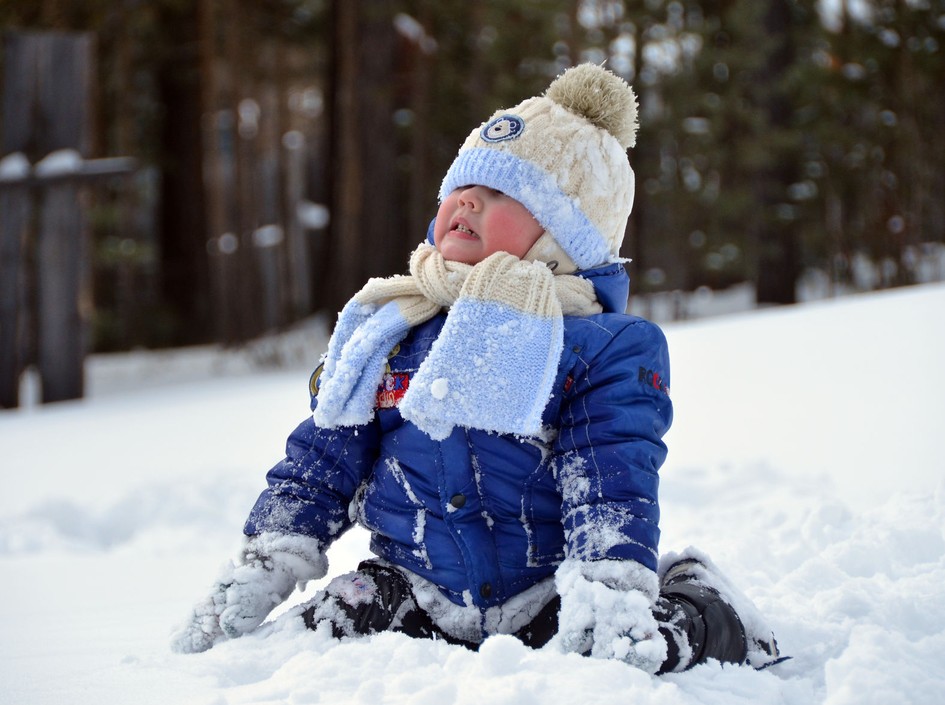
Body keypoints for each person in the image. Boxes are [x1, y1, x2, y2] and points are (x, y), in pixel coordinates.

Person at [171, 63, 781, 674]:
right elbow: (323, 458)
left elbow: (609, 470)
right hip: (412, 588)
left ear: (563, 238)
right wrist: (268, 562)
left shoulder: (600, 345)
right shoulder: (391, 328)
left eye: (502, 194)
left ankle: (710, 608)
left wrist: (607, 588)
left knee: (632, 650)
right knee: (314, 637)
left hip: (548, 593)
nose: (466, 201)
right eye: (461, 189)